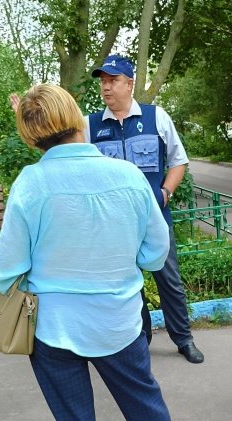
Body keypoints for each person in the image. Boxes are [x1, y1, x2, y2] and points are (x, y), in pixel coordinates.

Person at [0, 83, 187, 421]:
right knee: (142, 394)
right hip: (119, 319)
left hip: (53, 328)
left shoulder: (30, 184)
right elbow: (156, 253)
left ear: (30, 135)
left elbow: (8, 268)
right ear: (78, 118)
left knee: (74, 420)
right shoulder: (128, 176)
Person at [85, 55, 204, 364]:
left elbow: (178, 161)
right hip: (116, 227)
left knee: (170, 282)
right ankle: (142, 339)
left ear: (129, 84)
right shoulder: (90, 126)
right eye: (103, 81)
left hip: (155, 222)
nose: (106, 87)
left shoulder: (156, 117)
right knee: (129, 285)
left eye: (112, 80)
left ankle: (184, 339)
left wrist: (165, 193)